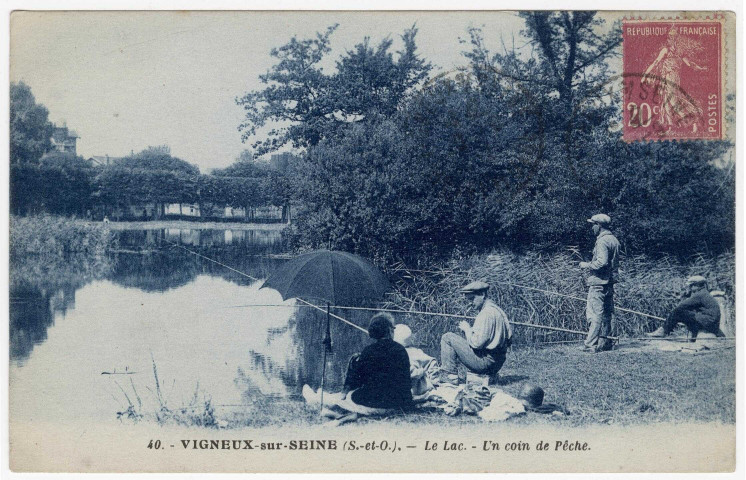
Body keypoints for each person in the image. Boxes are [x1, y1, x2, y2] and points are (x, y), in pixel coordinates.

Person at [439, 281, 512, 385]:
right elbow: (509, 338)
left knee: (448, 338)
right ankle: (488, 377)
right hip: (497, 362)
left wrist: (467, 329)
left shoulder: (486, 313)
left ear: (482, 295)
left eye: (472, 299)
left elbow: (476, 344)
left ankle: (449, 376)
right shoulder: (497, 310)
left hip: (486, 363)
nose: (470, 303)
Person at [340, 312, 413, 410]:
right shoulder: (400, 349)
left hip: (376, 400)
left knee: (352, 395)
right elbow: (406, 382)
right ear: (389, 330)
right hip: (400, 400)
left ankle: (344, 396)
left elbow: (358, 381)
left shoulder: (368, 351)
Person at [579, 214, 620, 353]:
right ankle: (608, 342)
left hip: (598, 283)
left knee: (594, 313)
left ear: (599, 225)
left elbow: (602, 262)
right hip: (609, 283)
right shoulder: (614, 240)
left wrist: (587, 265)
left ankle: (590, 345)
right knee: (609, 314)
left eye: (593, 224)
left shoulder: (602, 241)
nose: (592, 227)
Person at [647, 276, 724, 341]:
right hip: (711, 322)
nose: (690, 288)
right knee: (692, 315)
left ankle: (663, 331)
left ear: (697, 285)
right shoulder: (705, 294)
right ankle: (695, 336)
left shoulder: (699, 295)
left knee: (678, 312)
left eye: (691, 286)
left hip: (707, 321)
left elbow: (681, 306)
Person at [393, 324, 439, 398]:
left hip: (409, 388)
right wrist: (434, 381)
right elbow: (432, 361)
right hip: (417, 388)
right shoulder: (416, 352)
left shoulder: (391, 354)